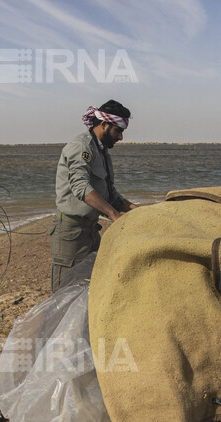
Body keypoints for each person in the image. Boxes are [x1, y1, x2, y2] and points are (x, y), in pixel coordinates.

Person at [51, 100, 138, 291]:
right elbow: (81, 187)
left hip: (91, 232)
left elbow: (110, 194)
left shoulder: (101, 151)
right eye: (118, 131)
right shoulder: (82, 147)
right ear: (104, 125)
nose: (121, 137)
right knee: (63, 294)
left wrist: (136, 211)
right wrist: (114, 215)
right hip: (71, 234)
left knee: (89, 291)